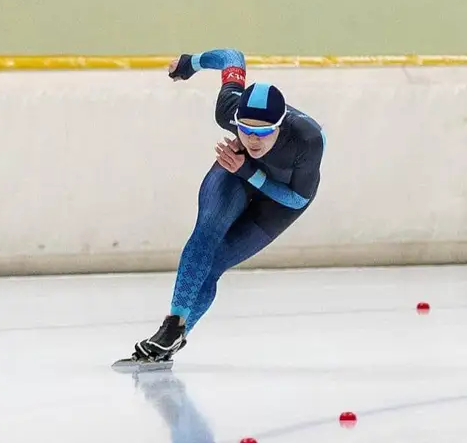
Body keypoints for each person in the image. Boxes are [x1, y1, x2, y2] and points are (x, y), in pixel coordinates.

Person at [127, 48, 326, 363]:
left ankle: (176, 337)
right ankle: (172, 326)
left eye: (262, 132)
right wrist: (189, 63)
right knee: (206, 231)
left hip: (279, 198)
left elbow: (297, 198)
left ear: (279, 126)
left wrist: (250, 171)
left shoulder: (308, 140)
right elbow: (232, 57)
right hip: (238, 171)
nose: (252, 139)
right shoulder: (228, 111)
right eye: (245, 129)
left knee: (214, 265)